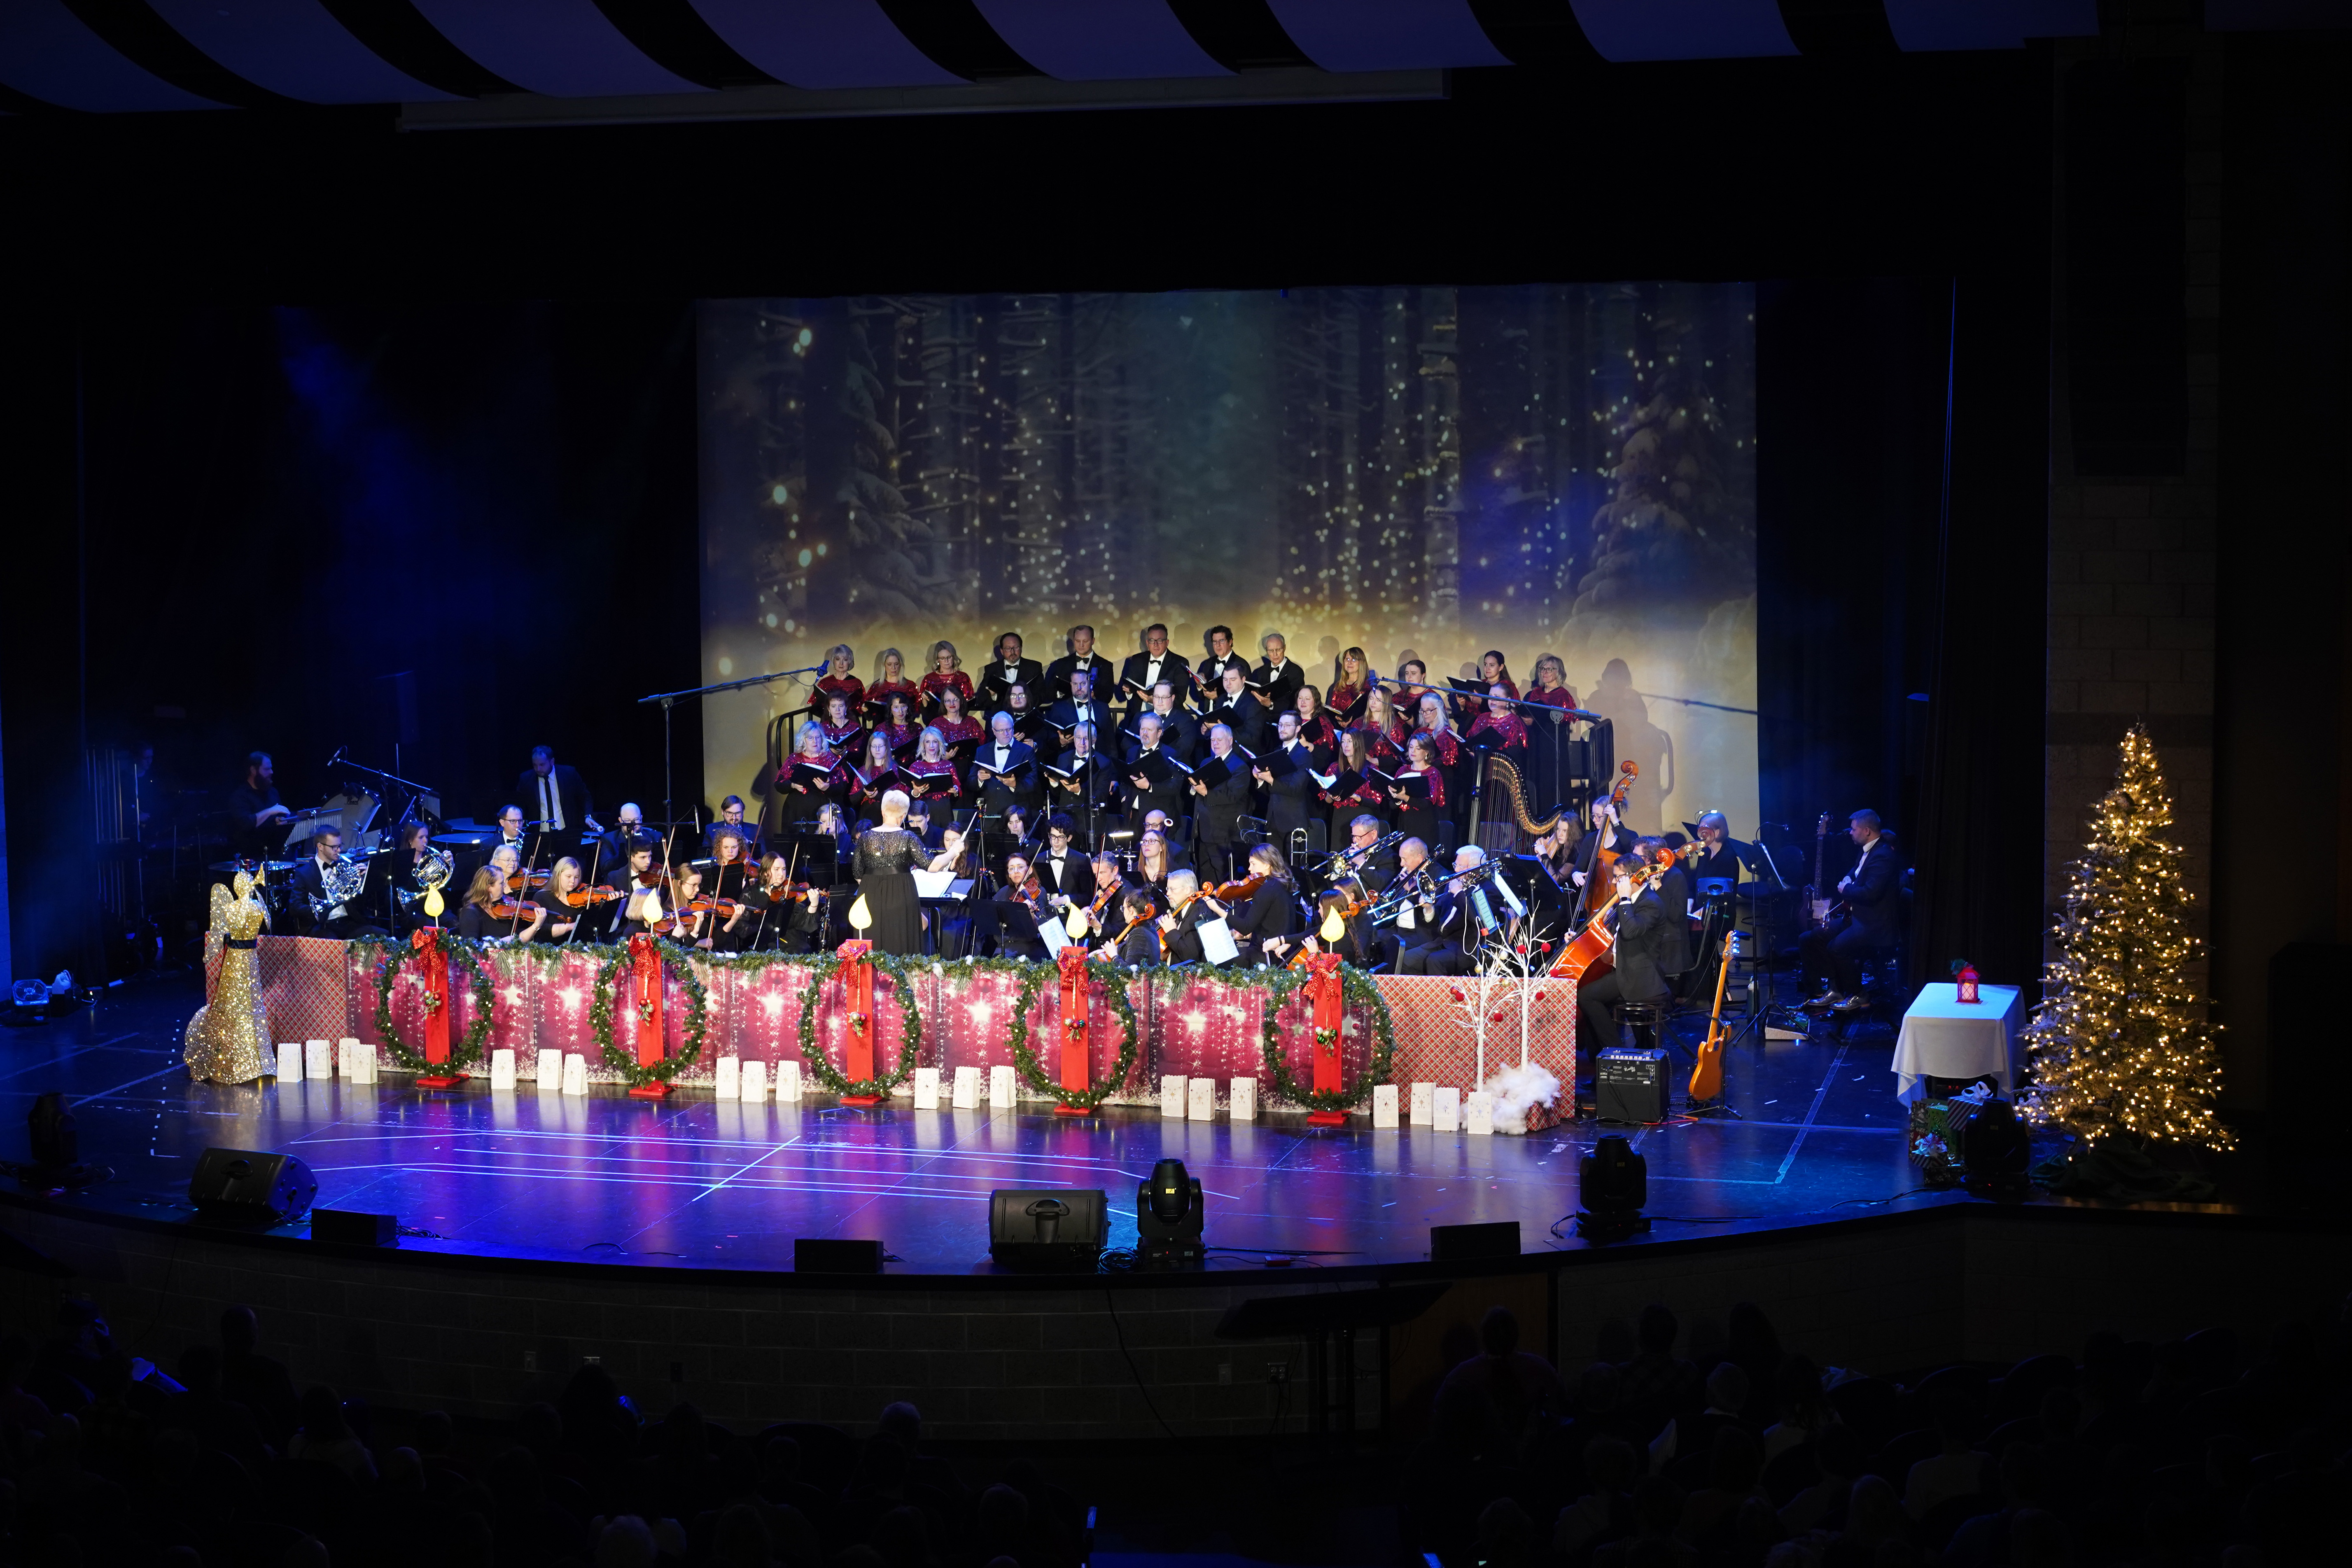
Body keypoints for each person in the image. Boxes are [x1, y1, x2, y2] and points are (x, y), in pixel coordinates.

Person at [1800, 810, 1903, 1012]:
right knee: (1810, 938)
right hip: (1857, 918)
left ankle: (1859, 994)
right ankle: (1834, 989)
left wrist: (1846, 889)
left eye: (1854, 829)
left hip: (1875, 924)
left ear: (1867, 831)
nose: (1850, 833)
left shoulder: (1883, 855)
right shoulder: (1867, 850)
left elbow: (1871, 893)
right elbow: (1855, 872)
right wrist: (1847, 880)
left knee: (1837, 947)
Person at [1577, 852, 1673, 1060]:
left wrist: (1625, 899)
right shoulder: (1631, 902)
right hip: (1624, 969)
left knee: (1587, 996)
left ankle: (1616, 1055)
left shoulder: (1651, 903)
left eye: (1618, 877)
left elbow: (1630, 932)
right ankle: (1601, 1063)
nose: (1613, 882)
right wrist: (1580, 939)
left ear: (1633, 877)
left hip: (1640, 976)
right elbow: (1616, 937)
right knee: (1590, 995)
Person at [854, 790, 970, 957]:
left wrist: (874, 888)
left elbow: (857, 873)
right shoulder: (908, 837)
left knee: (873, 943)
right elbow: (933, 865)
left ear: (883, 812)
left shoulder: (865, 837)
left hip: (870, 894)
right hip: (901, 894)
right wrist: (954, 851)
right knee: (901, 942)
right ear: (904, 815)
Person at [184, 869, 272, 1083]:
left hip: (235, 960)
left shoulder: (231, 907)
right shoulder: (259, 907)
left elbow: (223, 935)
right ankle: (255, 1062)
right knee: (249, 1003)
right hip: (250, 960)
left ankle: (233, 1062)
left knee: (234, 1004)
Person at [287, 824, 380, 939]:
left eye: (340, 846)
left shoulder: (345, 867)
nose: (339, 851)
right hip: (322, 926)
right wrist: (319, 909)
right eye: (334, 847)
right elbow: (294, 907)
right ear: (320, 847)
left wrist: (365, 880)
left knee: (383, 936)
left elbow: (362, 901)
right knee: (332, 942)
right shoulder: (304, 873)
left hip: (348, 922)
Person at [1190, 722, 1252, 883]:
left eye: (1220, 740)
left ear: (1230, 741)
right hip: (1203, 831)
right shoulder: (1206, 763)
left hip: (1223, 833)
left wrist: (1205, 792)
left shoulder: (1239, 767)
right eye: (1212, 740)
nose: (1215, 744)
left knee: (1222, 878)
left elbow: (1232, 796)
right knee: (1205, 875)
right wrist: (1193, 789)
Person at [1221, 844, 1299, 967]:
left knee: (1219, 959)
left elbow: (1246, 927)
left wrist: (1218, 910)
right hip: (1281, 951)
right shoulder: (1281, 884)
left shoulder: (1267, 889)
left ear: (1267, 864)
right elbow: (1274, 923)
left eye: (1253, 864)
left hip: (1268, 956)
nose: (1249, 869)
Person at [1255, 709, 1316, 851]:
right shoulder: (1276, 752)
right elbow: (1269, 791)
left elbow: (1296, 788)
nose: (1282, 729)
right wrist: (1260, 780)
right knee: (1274, 868)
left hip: (1293, 822)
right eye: (1280, 725)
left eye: (1287, 726)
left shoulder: (1304, 755)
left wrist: (1271, 780)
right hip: (1273, 820)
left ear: (1298, 729)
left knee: (1292, 869)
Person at [517, 745, 601, 846]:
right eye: (535, 765)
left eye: (542, 765)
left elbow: (585, 797)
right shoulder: (526, 779)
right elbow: (519, 804)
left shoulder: (569, 774)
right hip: (540, 835)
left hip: (568, 832)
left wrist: (588, 816)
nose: (538, 769)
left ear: (552, 762)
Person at [1318, 730, 1390, 847]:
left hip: (1362, 821)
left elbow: (1376, 803)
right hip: (1340, 820)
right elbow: (1326, 801)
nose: (1346, 746)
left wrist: (1355, 796)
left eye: (1350, 742)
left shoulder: (1370, 769)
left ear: (1357, 744)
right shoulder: (1335, 767)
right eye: (1343, 742)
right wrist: (1331, 795)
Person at [981, 853, 1052, 961]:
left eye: (1021, 867)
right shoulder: (1003, 892)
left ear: (1030, 870)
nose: (1016, 872)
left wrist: (1031, 914)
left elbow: (1040, 928)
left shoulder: (1040, 892)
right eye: (1011, 869)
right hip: (1004, 947)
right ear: (1009, 874)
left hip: (1028, 948)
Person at [1125, 713, 1189, 828]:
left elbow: (1175, 786)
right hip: (1133, 818)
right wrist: (1124, 797)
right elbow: (1124, 779)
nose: (1145, 733)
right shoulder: (1132, 752)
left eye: (1149, 730)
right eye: (1142, 729)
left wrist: (1150, 787)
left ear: (1159, 733)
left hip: (1158, 819)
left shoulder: (1171, 754)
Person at [972, 711, 1038, 821]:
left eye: (1009, 729)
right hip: (990, 814)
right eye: (1001, 731)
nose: (1006, 734)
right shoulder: (982, 751)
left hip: (1016, 815)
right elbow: (971, 782)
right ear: (994, 731)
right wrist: (979, 779)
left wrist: (1015, 785)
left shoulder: (1026, 751)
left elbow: (1033, 782)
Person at [226, 751, 290, 861]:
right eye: (267, 769)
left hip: (275, 856)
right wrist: (270, 811)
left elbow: (278, 819)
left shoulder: (273, 793)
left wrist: (280, 820)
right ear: (253, 770)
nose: (271, 772)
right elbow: (246, 824)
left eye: (271, 768)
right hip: (250, 858)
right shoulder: (240, 796)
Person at [457, 865, 544, 944]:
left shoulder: (503, 907)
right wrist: (498, 943)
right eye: (501, 883)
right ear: (489, 888)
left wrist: (536, 926)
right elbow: (470, 948)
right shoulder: (471, 912)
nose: (505, 885)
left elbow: (518, 939)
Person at [1118, 623, 1191, 716]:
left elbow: (1180, 697)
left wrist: (1155, 701)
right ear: (1147, 643)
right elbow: (1129, 689)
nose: (1156, 645)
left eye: (1160, 641)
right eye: (1152, 641)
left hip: (1168, 718)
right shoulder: (1136, 660)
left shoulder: (1180, 663)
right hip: (1139, 717)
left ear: (1167, 642)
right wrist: (1129, 692)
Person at [1199, 660, 1270, 754]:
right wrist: (1208, 729)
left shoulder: (1253, 704)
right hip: (1219, 755)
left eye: (1233, 680)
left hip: (1241, 757)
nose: (1228, 684)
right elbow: (1216, 726)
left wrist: (1224, 731)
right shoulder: (1221, 699)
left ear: (1243, 679)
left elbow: (1252, 738)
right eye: (1225, 680)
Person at [1390, 733, 1447, 848]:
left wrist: (1405, 798)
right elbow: (1392, 805)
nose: (1413, 751)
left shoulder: (1432, 773)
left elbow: (1427, 804)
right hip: (1405, 822)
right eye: (1411, 747)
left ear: (1427, 752)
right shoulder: (1402, 771)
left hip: (1425, 824)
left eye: (1418, 748)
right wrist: (1397, 799)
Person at [780, 727, 845, 827]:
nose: (815, 741)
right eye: (810, 738)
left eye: (818, 737)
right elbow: (779, 784)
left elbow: (842, 787)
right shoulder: (794, 759)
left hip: (822, 811)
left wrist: (828, 788)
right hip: (796, 810)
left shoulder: (830, 759)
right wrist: (792, 785)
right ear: (804, 740)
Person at [1044, 624, 1115, 705]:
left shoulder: (1105, 666)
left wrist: (1094, 697)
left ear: (1093, 641)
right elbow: (1047, 693)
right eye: (1078, 641)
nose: (1081, 645)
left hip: (1093, 713)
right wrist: (1059, 694)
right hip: (1066, 714)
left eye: (1085, 641)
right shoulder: (1059, 665)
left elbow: (1108, 696)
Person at [1034, 814, 1094, 910]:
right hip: (1044, 915)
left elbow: (1088, 897)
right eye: (1053, 836)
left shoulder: (1081, 861)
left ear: (1069, 838)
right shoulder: (1039, 859)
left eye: (1061, 837)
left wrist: (1066, 900)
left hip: (1070, 917)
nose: (1056, 842)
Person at [538, 856, 600, 944]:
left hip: (581, 947)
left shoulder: (583, 898)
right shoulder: (543, 897)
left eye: (576, 877)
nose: (573, 881)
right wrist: (571, 926)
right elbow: (541, 930)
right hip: (551, 949)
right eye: (569, 876)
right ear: (558, 876)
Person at [977, 632, 1045, 712]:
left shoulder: (1034, 667)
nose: (1013, 652)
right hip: (1001, 717)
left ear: (1021, 648)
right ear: (1002, 651)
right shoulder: (991, 670)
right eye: (1008, 649)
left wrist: (1026, 702)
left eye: (1016, 648)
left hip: (1027, 716)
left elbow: (1042, 695)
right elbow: (982, 699)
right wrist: (994, 696)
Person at [904, 725, 961, 812]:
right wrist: (916, 792)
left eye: (935, 742)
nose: (931, 746)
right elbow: (907, 795)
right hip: (923, 812)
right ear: (923, 744)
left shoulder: (949, 765)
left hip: (945, 810)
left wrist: (955, 792)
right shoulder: (916, 767)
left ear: (940, 743)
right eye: (928, 742)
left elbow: (957, 793)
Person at [1250, 631, 1305, 712]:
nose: (1275, 654)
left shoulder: (1296, 672)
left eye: (1278, 650)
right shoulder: (1259, 672)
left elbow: (1295, 702)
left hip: (1285, 720)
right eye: (1271, 651)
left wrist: (1271, 705)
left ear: (1284, 648)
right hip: (1262, 720)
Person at [919, 640, 974, 715]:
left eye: (949, 657)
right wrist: (925, 700)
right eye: (942, 658)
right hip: (935, 720)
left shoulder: (963, 678)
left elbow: (969, 703)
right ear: (938, 660)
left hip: (959, 720)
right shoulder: (929, 679)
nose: (946, 661)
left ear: (953, 657)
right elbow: (924, 708)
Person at [866, 646, 921, 716]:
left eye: (897, 664)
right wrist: (865, 708)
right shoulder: (877, 687)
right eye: (890, 664)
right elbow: (868, 715)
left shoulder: (910, 686)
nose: (894, 668)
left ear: (901, 665)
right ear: (884, 666)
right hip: (881, 725)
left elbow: (916, 712)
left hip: (904, 725)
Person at [1197, 623, 1248, 695]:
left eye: (1222, 641)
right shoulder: (1208, 663)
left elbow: (1245, 695)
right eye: (1215, 642)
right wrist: (1200, 686)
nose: (1218, 645)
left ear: (1230, 642)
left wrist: (1218, 697)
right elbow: (1202, 698)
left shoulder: (1242, 664)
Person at [705, 795, 759, 860]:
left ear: (743, 812)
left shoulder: (756, 830)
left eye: (738, 813)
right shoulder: (711, 829)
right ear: (723, 812)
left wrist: (748, 843)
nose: (734, 818)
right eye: (730, 813)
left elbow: (762, 855)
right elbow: (706, 856)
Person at [814, 643, 864, 714]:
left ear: (850, 662)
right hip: (828, 721)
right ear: (834, 661)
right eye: (838, 659)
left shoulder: (856, 683)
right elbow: (816, 707)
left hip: (850, 721)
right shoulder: (825, 683)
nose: (841, 663)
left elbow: (862, 708)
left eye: (845, 660)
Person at [814, 689, 864, 755]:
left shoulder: (856, 727)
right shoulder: (822, 728)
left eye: (841, 706)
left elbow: (861, 751)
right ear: (829, 709)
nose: (837, 710)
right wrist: (828, 750)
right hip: (827, 763)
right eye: (833, 706)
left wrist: (847, 751)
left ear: (846, 708)